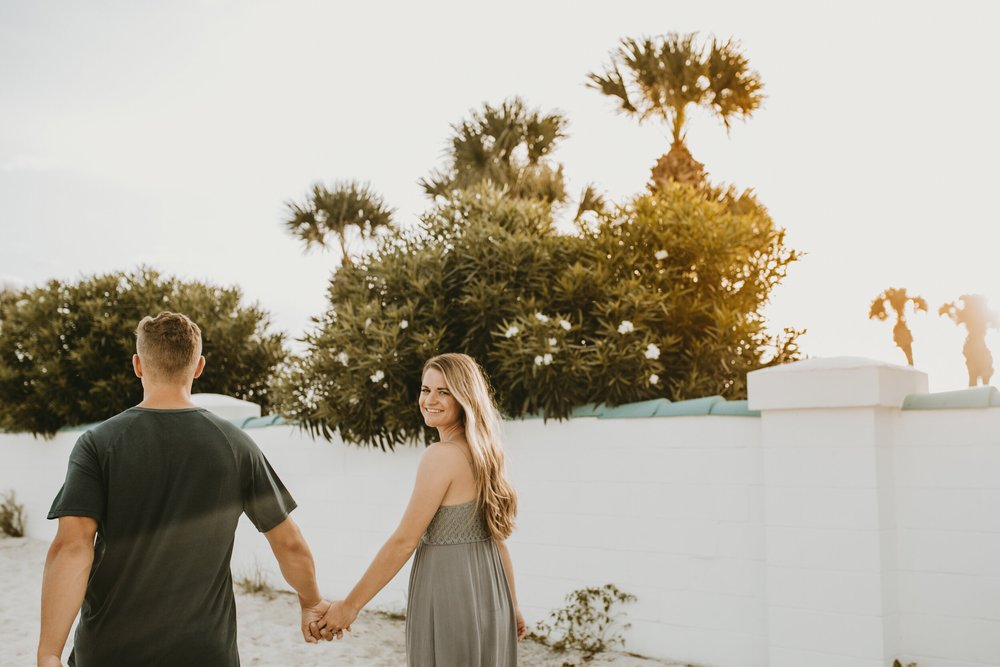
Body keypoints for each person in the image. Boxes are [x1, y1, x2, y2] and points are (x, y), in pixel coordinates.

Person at [37, 311, 333, 667]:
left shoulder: (98, 443)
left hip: (110, 650)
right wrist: (311, 601)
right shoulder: (235, 444)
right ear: (198, 367)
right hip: (205, 653)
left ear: (137, 365)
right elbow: (288, 541)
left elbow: (72, 547)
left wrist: (49, 653)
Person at [314, 352, 526, 666]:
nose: (430, 400)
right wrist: (512, 605)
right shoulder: (485, 454)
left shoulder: (442, 455)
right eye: (426, 390)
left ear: (464, 397)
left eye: (444, 391)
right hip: (490, 594)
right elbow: (498, 541)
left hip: (450, 592)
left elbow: (404, 541)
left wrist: (349, 606)